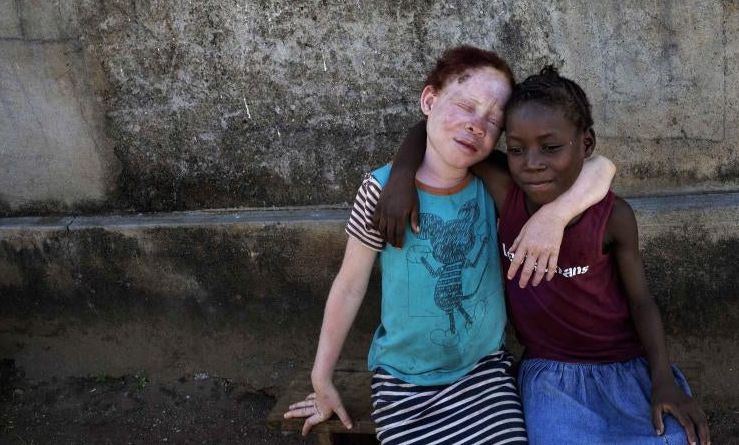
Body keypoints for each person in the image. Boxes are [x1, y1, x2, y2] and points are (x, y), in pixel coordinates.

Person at [283, 47, 615, 444]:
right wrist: (321, 378)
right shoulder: (381, 192)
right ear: (429, 100)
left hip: (485, 375)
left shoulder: (493, 185)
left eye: (493, 119)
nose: (477, 124)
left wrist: (554, 216)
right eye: (466, 105)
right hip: (403, 384)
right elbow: (350, 285)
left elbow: (601, 167)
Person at [378, 66, 711, 445]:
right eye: (516, 149)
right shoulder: (505, 191)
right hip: (550, 373)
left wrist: (663, 378)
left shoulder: (613, 218)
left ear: (586, 143)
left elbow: (641, 301)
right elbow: (432, 129)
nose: (532, 163)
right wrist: (401, 177)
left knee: (674, 437)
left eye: (550, 148)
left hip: (624, 363)